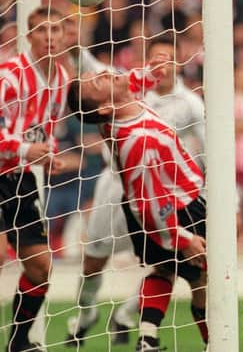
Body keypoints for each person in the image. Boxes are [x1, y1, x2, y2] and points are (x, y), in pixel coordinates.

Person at [64, 35, 206, 346]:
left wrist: (153, 71)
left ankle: (147, 336)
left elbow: (130, 79)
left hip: (145, 203)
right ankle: (215, 342)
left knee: (164, 270)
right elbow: (151, 206)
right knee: (205, 280)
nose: (105, 73)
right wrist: (183, 238)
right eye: (97, 82)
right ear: (104, 106)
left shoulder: (123, 103)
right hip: (175, 208)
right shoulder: (139, 141)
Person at [0, 7, 69, 352]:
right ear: (30, 37)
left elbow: (47, 130)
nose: (50, 37)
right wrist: (29, 150)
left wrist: (48, 153)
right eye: (43, 31)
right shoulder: (9, 76)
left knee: (41, 266)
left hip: (20, 179)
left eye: (56, 30)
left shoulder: (62, 80)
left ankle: (19, 342)